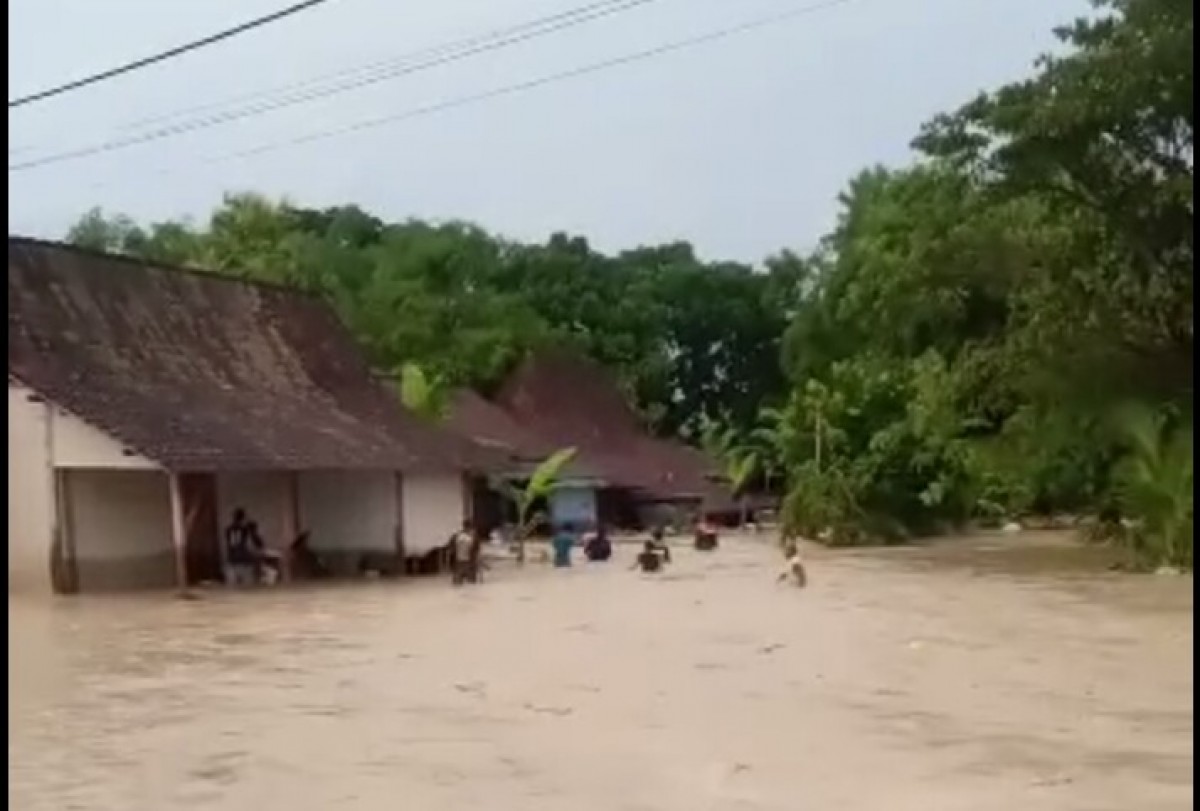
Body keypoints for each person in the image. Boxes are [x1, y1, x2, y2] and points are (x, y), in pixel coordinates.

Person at [224, 508, 258, 586]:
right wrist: (253, 529)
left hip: (232, 560)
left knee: (233, 587)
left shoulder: (228, 530)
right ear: (243, 518)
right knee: (248, 587)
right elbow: (257, 543)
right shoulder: (246, 529)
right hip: (244, 559)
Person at [449, 521, 478, 585]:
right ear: (471, 527)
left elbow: (451, 549)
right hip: (469, 562)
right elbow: (476, 550)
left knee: (457, 582)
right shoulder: (474, 536)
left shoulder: (456, 535)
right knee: (471, 583)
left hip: (458, 561)